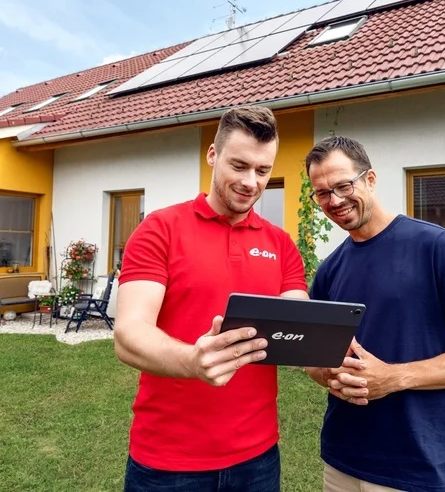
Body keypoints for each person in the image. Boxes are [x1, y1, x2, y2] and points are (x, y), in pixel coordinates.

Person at [114, 105, 308, 492]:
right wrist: (191, 360)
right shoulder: (160, 229)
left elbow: (298, 326)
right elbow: (129, 333)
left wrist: (332, 350)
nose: (251, 182)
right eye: (239, 166)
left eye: (263, 171)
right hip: (167, 462)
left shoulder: (281, 244)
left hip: (258, 458)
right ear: (212, 155)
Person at [303, 136, 445, 492]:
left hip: (417, 466)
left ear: (370, 179)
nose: (334, 200)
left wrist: (394, 377)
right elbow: (315, 362)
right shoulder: (330, 269)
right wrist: (329, 374)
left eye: (343, 185)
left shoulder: (435, 246)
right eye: (321, 193)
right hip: (342, 460)